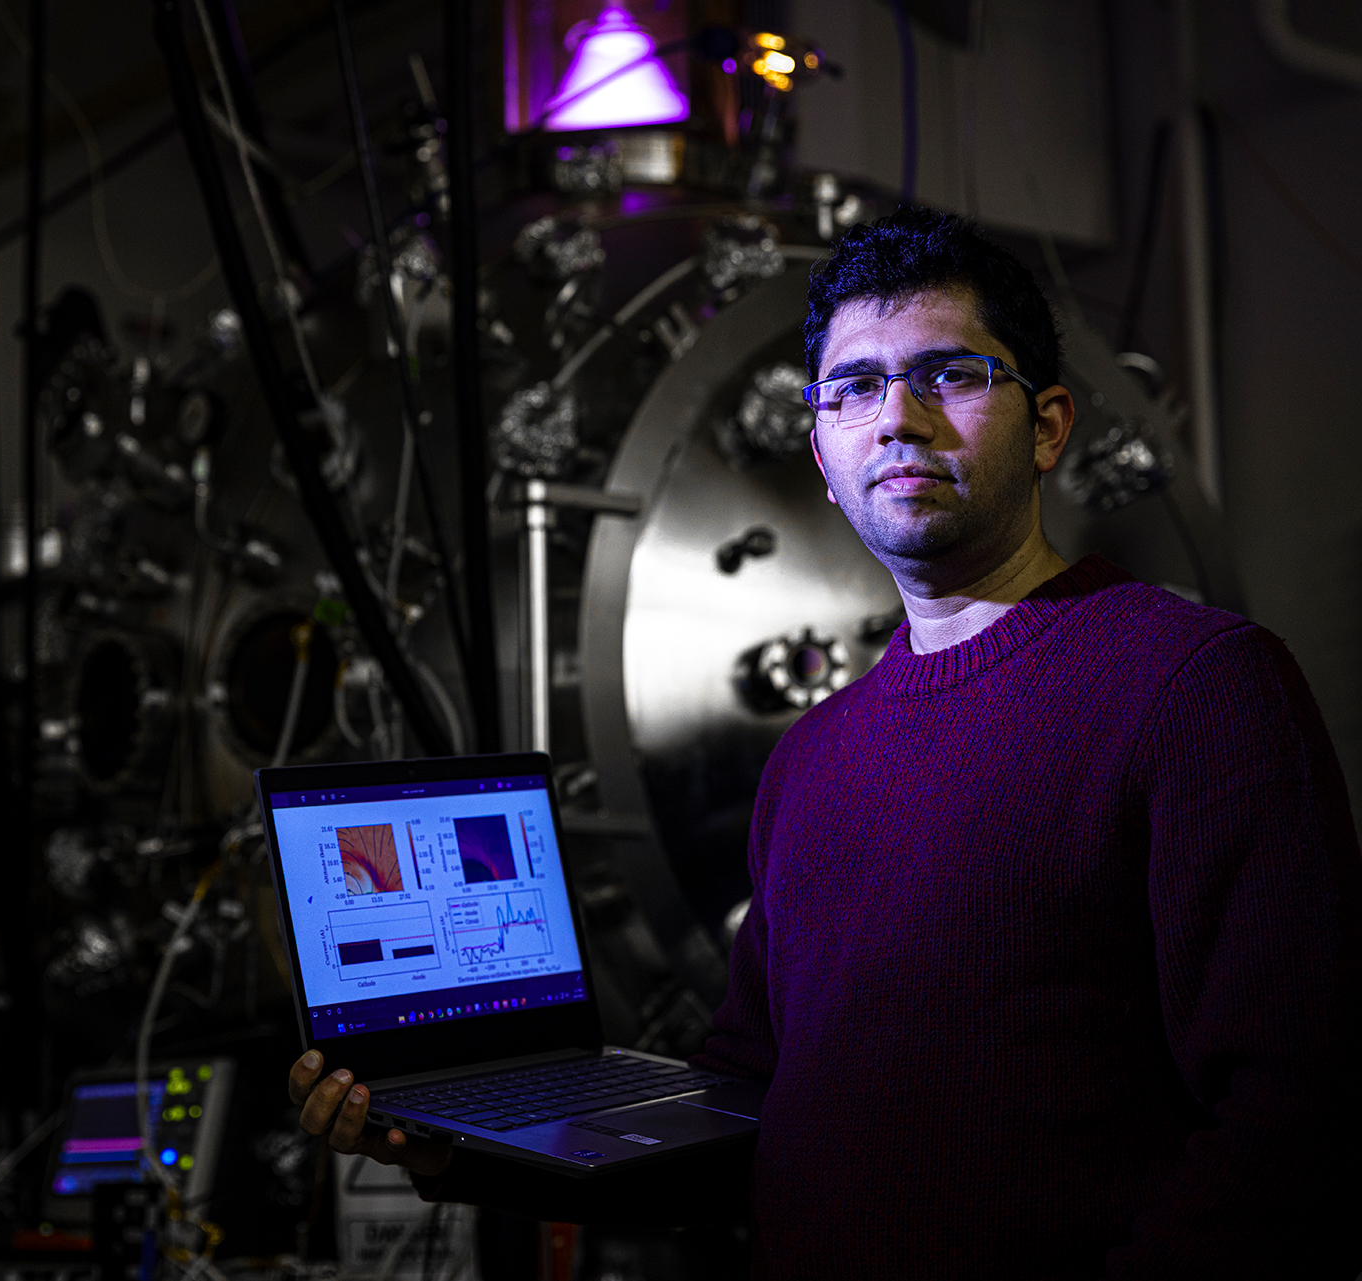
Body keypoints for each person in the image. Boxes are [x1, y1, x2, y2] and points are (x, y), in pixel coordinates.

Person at [286, 207, 1362, 1278]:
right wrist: (458, 1153)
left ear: (1047, 425)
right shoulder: (813, 760)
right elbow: (754, 1122)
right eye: (855, 387)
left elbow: (1298, 1119)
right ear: (822, 450)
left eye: (949, 374)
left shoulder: (1198, 688)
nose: (899, 418)